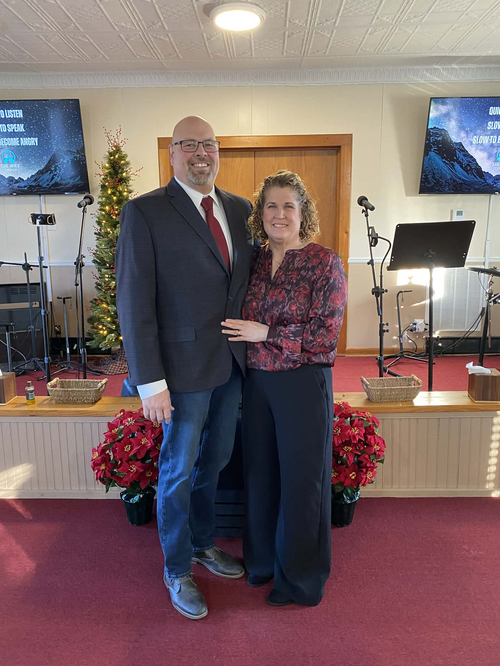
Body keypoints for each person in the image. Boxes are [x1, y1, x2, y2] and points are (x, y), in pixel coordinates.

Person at [116, 116, 254, 620]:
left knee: (214, 460)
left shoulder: (240, 209)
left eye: (209, 144)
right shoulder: (145, 211)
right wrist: (150, 382)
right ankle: (176, 569)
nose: (201, 153)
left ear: (219, 152)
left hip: (231, 365)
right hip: (179, 373)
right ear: (172, 154)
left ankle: (201, 542)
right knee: (177, 470)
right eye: (189, 144)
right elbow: (134, 301)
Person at [221, 170, 347, 607]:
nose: (279, 214)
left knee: (301, 483)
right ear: (260, 214)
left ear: (302, 212)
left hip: (302, 383)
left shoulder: (324, 262)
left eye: (288, 206)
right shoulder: (253, 260)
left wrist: (267, 333)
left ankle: (299, 580)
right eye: (271, 205)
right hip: (257, 383)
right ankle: (262, 564)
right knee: (260, 478)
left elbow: (325, 337)